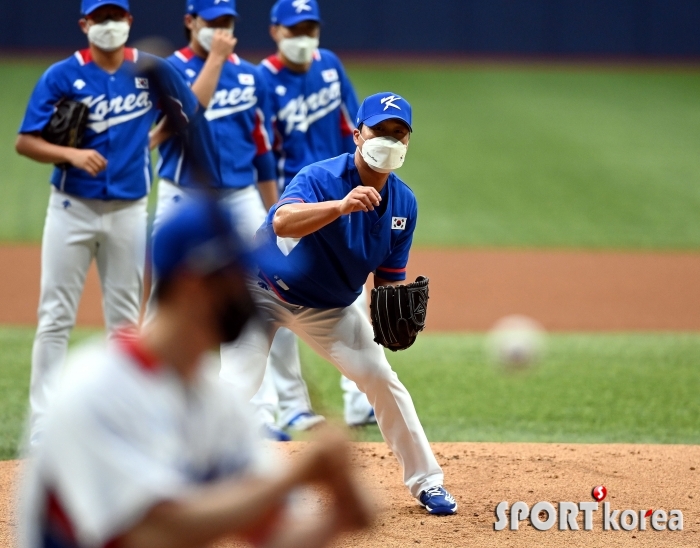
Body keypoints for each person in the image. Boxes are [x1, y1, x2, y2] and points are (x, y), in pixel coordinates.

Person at [18, 197, 371, 548]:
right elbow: (151, 533)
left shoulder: (220, 403)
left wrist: (338, 516)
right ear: (195, 285)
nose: (250, 295)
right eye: (241, 280)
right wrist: (296, 476)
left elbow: (279, 536)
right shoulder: (94, 387)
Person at [220, 92, 458, 515]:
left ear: (407, 142)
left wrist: (387, 318)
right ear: (357, 135)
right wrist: (340, 206)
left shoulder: (404, 204)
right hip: (261, 291)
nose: (388, 140)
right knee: (236, 385)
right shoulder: (320, 177)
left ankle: (428, 483)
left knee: (381, 379)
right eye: (378, 131)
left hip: (330, 309)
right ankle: (189, 479)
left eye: (398, 133)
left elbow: (388, 277)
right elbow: (281, 220)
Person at [14, 0, 205, 447]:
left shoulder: (149, 70)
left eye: (116, 17)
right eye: (100, 18)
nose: (109, 25)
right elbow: (26, 140)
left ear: (129, 22)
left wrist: (150, 140)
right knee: (55, 315)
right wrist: (71, 154)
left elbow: (189, 109)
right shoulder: (61, 75)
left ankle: (125, 418)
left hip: (128, 210)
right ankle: (43, 424)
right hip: (71, 208)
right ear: (84, 25)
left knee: (124, 319)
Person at [147, 0, 325, 440]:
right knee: (164, 299)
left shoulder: (251, 75)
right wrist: (216, 57)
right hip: (183, 195)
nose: (222, 30)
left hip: (243, 194)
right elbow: (187, 110)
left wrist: (274, 208)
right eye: (213, 22)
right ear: (190, 22)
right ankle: (151, 403)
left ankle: (273, 410)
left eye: (228, 23)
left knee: (267, 297)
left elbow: (262, 144)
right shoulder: (172, 68)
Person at [257, 0, 375, 428]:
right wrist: (274, 207)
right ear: (275, 32)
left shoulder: (330, 64)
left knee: (354, 290)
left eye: (310, 27)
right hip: (296, 199)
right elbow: (263, 147)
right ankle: (292, 406)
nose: (303, 37)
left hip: (339, 194)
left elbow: (355, 127)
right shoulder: (264, 79)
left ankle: (361, 400)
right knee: (278, 299)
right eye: (294, 29)